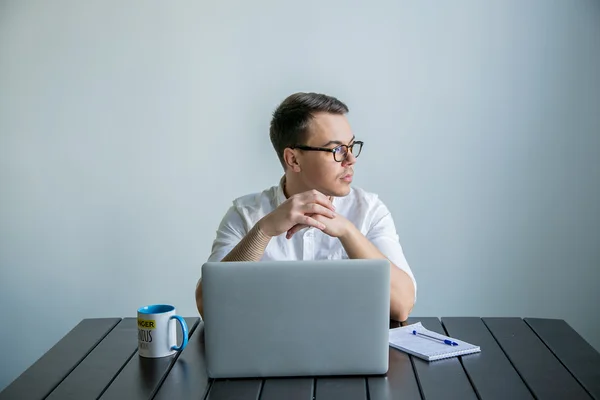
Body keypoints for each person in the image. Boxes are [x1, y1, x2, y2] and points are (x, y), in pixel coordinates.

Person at [195, 92, 417, 321]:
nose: (351, 159)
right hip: (265, 353)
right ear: (293, 159)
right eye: (337, 150)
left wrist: (347, 231)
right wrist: (263, 231)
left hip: (349, 354)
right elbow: (207, 307)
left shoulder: (369, 211)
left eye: (351, 146)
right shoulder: (245, 214)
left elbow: (401, 307)